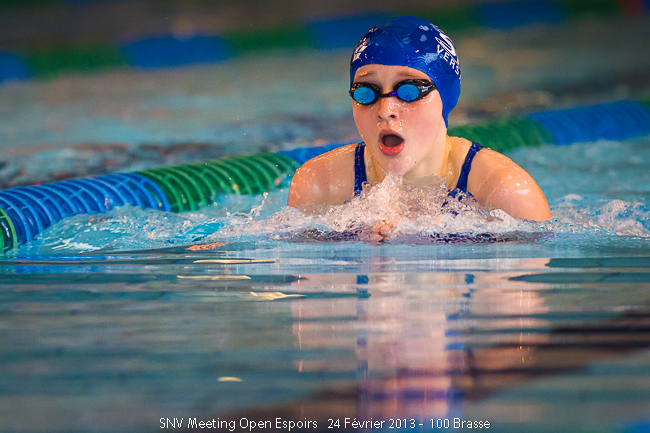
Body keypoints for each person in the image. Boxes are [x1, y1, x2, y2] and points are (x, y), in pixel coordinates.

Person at [287, 16, 551, 223]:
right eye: (367, 92)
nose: (385, 109)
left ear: (446, 97)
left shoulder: (507, 195)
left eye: (409, 91)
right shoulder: (319, 186)